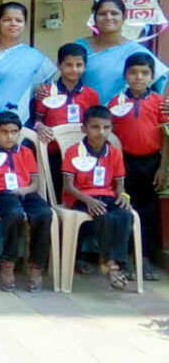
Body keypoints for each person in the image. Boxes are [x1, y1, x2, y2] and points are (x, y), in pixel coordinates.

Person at [0, 111, 52, 292]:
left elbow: (35, 183)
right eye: (4, 132)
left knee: (45, 213)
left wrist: (24, 190)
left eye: (14, 132)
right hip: (1, 194)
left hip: (26, 192)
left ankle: (36, 265)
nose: (10, 136)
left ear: (19, 133)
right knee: (14, 214)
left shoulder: (25, 152)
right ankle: (8, 261)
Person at [106, 52, 168, 280]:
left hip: (151, 163)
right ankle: (123, 260)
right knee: (124, 210)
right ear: (125, 76)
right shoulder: (116, 102)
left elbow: (165, 136)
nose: (138, 77)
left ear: (152, 77)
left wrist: (162, 167)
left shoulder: (160, 103)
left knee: (149, 212)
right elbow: (108, 135)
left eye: (144, 73)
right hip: (124, 164)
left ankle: (146, 260)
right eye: (133, 72)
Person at [61, 105, 134, 291]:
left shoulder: (114, 152)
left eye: (106, 127)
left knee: (125, 214)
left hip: (107, 195)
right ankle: (110, 264)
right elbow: (68, 186)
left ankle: (115, 261)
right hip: (80, 197)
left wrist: (123, 196)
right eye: (95, 127)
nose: (101, 132)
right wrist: (87, 200)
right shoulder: (73, 151)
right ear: (84, 129)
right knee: (103, 215)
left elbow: (119, 184)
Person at [0, 2, 57, 132]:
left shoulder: (34, 57)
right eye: (7, 20)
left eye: (19, 20)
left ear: (24, 25)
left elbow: (45, 90)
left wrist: (40, 92)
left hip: (20, 121)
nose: (13, 24)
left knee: (18, 152)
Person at [33, 43, 100, 192]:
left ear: (85, 66)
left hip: (82, 153)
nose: (74, 69)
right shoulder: (46, 92)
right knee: (55, 190)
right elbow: (37, 120)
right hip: (53, 151)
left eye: (79, 65)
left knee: (80, 190)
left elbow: (96, 123)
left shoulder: (91, 94)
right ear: (59, 65)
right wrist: (40, 127)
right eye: (68, 65)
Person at [77, 0, 168, 104]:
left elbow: (159, 78)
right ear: (94, 18)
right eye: (102, 14)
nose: (108, 17)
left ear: (124, 17)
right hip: (85, 115)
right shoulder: (78, 48)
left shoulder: (135, 51)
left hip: (124, 116)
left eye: (114, 13)